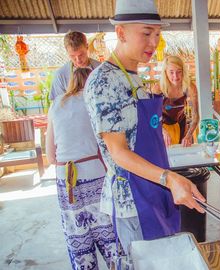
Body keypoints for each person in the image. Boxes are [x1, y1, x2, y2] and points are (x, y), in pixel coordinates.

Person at [84, 0, 205, 261]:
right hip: (132, 201)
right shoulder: (104, 80)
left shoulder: (135, 77)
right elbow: (118, 152)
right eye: (146, 33)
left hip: (154, 190)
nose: (154, 43)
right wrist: (169, 179)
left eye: (158, 35)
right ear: (121, 33)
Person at [46, 67, 117, 270]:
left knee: (79, 241)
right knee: (109, 237)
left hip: (66, 183)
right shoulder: (94, 103)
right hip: (96, 175)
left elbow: (51, 156)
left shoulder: (55, 105)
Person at [154, 55, 199, 147]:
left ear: (184, 72)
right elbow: (152, 115)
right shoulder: (158, 88)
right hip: (162, 128)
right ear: (165, 72)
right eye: (171, 72)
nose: (175, 76)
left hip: (181, 127)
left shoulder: (190, 87)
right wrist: (162, 131)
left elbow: (196, 116)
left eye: (179, 72)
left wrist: (189, 135)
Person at [50, 31, 100, 101]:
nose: (78, 60)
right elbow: (57, 105)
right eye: (72, 56)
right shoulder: (61, 75)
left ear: (87, 47)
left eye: (81, 55)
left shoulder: (101, 69)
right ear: (67, 51)